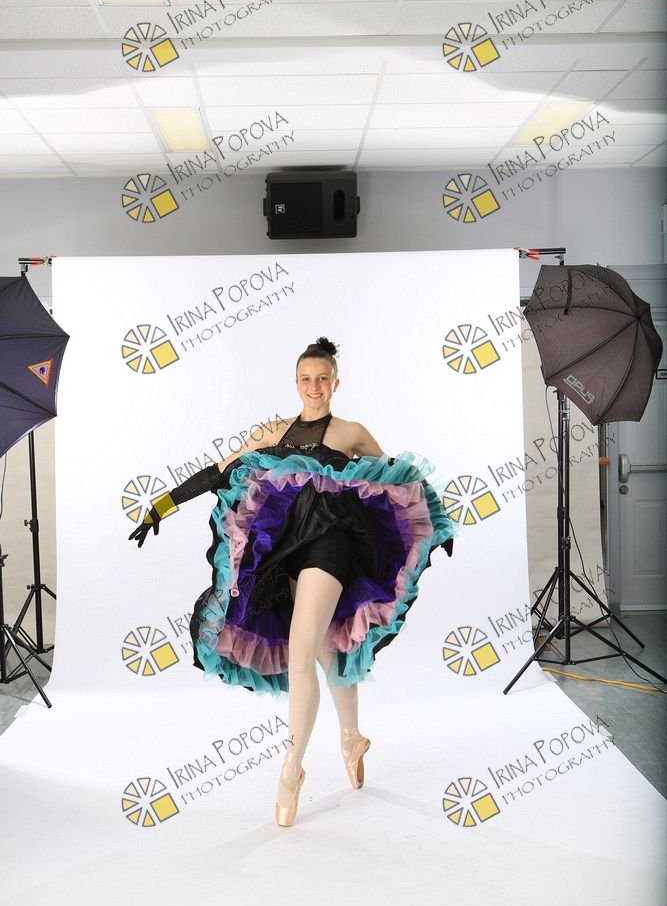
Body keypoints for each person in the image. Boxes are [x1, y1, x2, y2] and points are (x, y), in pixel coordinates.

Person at [129, 337, 457, 827]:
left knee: (300, 655)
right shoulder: (272, 432)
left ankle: (291, 771)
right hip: (283, 553)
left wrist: (438, 526)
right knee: (325, 647)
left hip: (332, 548)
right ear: (296, 382)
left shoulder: (351, 433)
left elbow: (399, 481)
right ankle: (352, 738)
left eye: (323, 378)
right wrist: (161, 505)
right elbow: (220, 472)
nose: (314, 386)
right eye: (306, 379)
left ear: (336, 382)